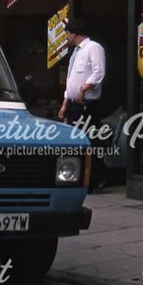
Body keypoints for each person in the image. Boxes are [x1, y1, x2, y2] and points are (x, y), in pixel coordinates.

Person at [57, 17, 107, 192]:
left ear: (74, 33)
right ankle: (75, 178)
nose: (65, 37)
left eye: (67, 33)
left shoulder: (93, 48)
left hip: (86, 104)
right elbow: (70, 79)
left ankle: (95, 181)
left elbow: (98, 72)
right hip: (73, 104)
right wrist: (64, 104)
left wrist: (83, 89)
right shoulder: (76, 52)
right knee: (73, 143)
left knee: (89, 142)